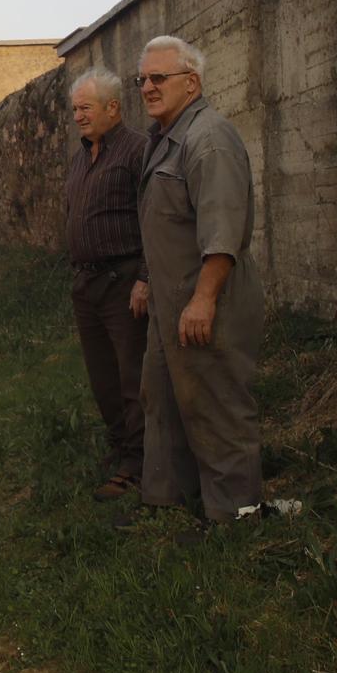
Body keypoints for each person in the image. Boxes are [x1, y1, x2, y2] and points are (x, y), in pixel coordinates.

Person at [132, 35, 265, 526]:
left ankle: (236, 521)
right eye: (142, 79)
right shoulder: (163, 138)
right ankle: (173, 506)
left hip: (209, 302)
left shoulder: (208, 139)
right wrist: (147, 282)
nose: (147, 87)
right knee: (163, 400)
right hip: (171, 303)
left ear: (192, 82)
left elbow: (223, 230)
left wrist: (204, 299)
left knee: (218, 408)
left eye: (158, 78)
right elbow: (163, 225)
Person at [63, 67, 150, 501]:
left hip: (124, 283)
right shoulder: (82, 156)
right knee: (103, 379)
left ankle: (139, 463)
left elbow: (155, 219)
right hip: (87, 286)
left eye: (86, 108)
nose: (78, 116)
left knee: (132, 374)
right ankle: (121, 449)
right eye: (75, 108)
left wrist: (145, 279)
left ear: (113, 108)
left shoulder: (138, 151)